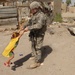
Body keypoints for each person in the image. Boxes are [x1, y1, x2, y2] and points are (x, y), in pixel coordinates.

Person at [22, 1, 47, 69]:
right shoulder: (35, 14)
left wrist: (29, 28)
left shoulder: (41, 15)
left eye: (32, 9)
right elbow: (30, 21)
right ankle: (34, 56)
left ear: (36, 8)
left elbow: (39, 25)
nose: (31, 11)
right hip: (34, 33)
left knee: (38, 47)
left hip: (39, 34)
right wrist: (24, 25)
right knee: (33, 45)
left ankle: (37, 62)